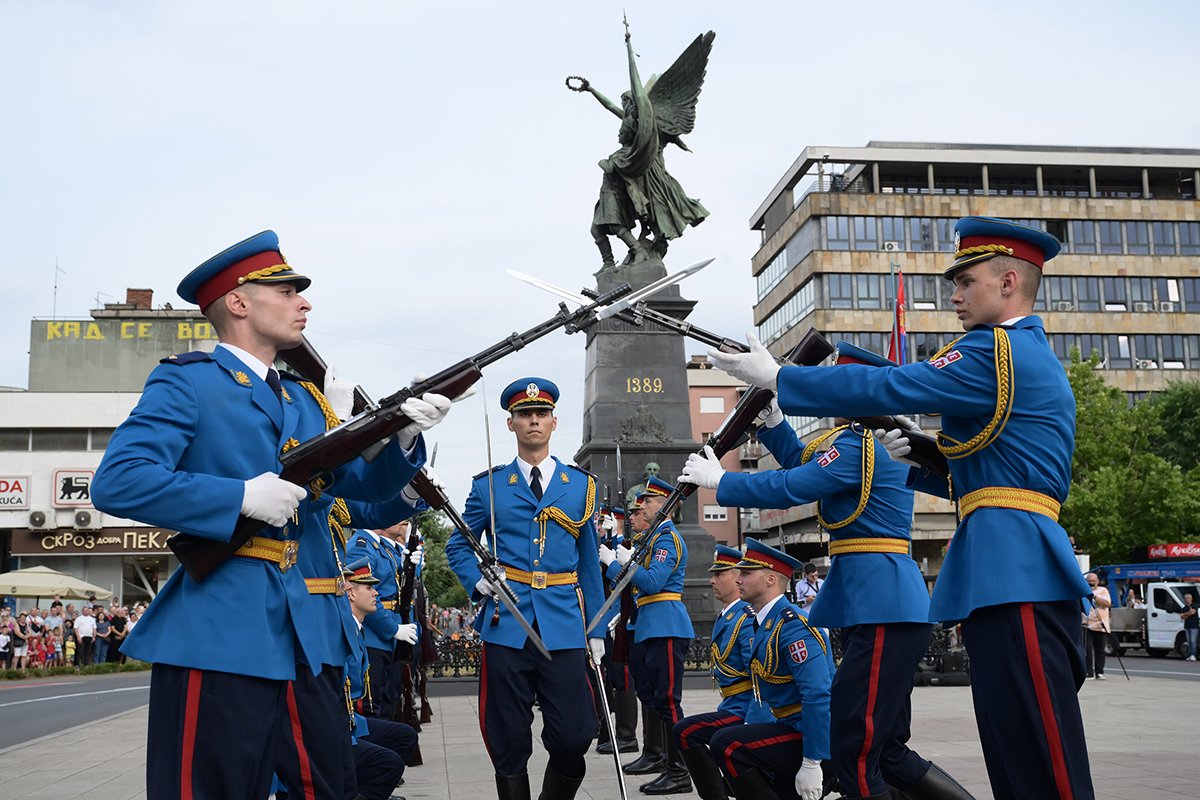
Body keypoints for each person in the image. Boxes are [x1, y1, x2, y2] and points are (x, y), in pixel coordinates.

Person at [709, 216, 1095, 800]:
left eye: (965, 281)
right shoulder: (1015, 355)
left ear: (1009, 281)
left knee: (1039, 758)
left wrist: (783, 377)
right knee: (1015, 751)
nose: (955, 295)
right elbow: (999, 474)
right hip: (1004, 566)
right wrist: (923, 452)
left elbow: (891, 385)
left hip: (1015, 568)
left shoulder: (999, 349)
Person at [92, 230, 451, 800]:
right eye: (286, 291)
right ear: (238, 302)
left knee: (327, 787)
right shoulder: (189, 382)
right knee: (212, 788)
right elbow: (119, 480)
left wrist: (403, 436)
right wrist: (237, 497)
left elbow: (360, 490)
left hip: (311, 633)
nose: (303, 303)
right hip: (225, 627)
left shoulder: (304, 399)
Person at [682, 376, 974, 800]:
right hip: (880, 601)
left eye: (839, 384)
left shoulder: (860, 444)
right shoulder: (864, 442)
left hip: (879, 605)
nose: (830, 392)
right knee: (888, 752)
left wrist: (719, 481)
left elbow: (794, 485)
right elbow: (808, 464)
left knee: (854, 751)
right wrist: (775, 424)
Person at [445, 377, 606, 800]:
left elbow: (589, 561)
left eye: (541, 414)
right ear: (511, 423)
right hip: (507, 622)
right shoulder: (489, 486)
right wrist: (478, 580)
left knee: (575, 733)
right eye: (524, 414)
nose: (533, 420)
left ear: (554, 422)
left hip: (564, 623)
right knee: (507, 737)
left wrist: (597, 627)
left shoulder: (580, 485)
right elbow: (459, 544)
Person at [705, 539, 833, 800]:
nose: (738, 579)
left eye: (746, 573)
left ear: (771, 579)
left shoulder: (792, 626)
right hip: (786, 725)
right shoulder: (766, 622)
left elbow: (817, 694)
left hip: (809, 733)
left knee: (726, 744)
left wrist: (812, 761)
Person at [600, 476, 694, 794]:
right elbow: (631, 584)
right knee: (652, 697)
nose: (642, 507)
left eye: (648, 502)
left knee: (668, 701)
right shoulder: (652, 540)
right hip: (648, 624)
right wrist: (617, 565)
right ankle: (661, 759)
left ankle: (679, 771)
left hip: (666, 624)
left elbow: (652, 582)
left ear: (666, 505)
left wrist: (618, 565)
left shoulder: (667, 540)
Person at [669, 545, 756, 800]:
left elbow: (758, 676)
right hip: (731, 704)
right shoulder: (728, 616)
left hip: (744, 709)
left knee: (685, 731)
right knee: (686, 732)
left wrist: (754, 719)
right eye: (712, 575)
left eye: (719, 574)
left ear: (738, 577)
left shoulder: (745, 618)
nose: (712, 580)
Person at [1083, 573, 1111, 680]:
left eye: (1093, 581)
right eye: (1089, 581)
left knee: (1100, 649)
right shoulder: (1083, 591)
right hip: (1086, 624)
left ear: (1097, 581)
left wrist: (1094, 596)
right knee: (1087, 649)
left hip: (1100, 624)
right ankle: (1088, 672)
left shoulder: (1103, 590)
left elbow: (1107, 604)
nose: (1091, 583)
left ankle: (1099, 672)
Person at [1181, 592, 1198, 661]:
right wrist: (1188, 613)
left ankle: (1193, 655)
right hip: (1187, 626)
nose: (1186, 599)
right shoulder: (1184, 607)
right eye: (1185, 598)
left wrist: (1186, 614)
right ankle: (1190, 655)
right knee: (1189, 641)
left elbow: (1193, 612)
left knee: (1193, 641)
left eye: (1188, 598)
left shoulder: (1194, 605)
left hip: (1194, 626)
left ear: (1191, 598)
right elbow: (1182, 616)